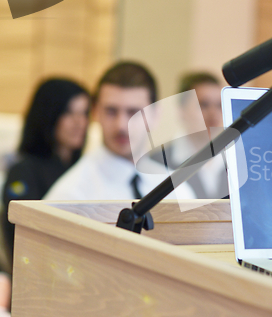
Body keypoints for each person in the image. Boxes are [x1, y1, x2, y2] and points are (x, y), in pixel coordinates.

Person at [44, 61, 194, 201]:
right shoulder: (71, 195)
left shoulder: (177, 190)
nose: (121, 125)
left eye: (133, 112)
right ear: (95, 112)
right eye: (111, 111)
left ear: (155, 115)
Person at [2, 78, 90, 270]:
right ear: (48, 115)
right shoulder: (25, 171)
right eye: (69, 113)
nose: (80, 122)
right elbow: (21, 239)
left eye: (84, 113)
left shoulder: (86, 169)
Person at [153, 72, 229, 199]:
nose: (213, 114)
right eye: (203, 105)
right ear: (181, 110)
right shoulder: (158, 162)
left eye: (219, 105)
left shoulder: (235, 162)